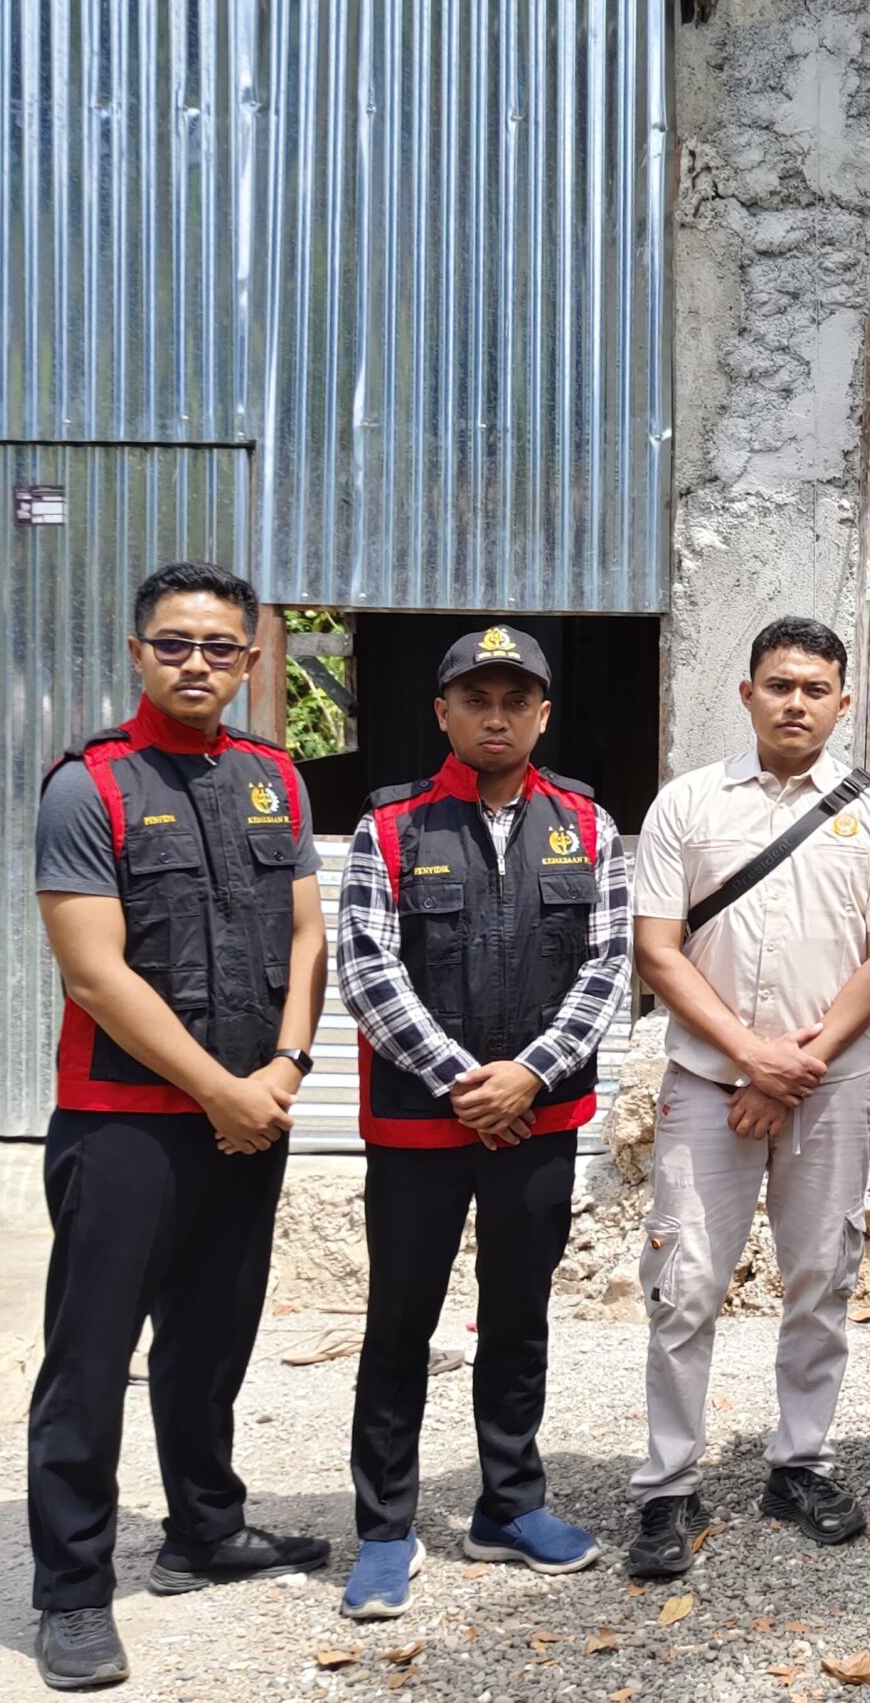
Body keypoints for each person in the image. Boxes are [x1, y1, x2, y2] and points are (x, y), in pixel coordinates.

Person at [27, 562, 329, 1693]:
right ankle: (70, 1590)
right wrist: (223, 1088)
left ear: (250, 661)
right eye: (174, 644)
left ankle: (205, 1530)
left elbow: (306, 937)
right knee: (91, 1360)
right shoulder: (89, 785)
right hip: (125, 1129)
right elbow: (97, 976)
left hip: (252, 1115)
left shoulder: (274, 780)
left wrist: (287, 1068)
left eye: (218, 647)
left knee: (211, 1342)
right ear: (137, 651)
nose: (196, 663)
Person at [333, 627, 634, 1618]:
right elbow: (369, 969)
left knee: (518, 1318)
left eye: (516, 699)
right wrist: (470, 1081)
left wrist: (532, 1077)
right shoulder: (390, 829)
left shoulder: (587, 826)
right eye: (477, 698)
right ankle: (384, 1527)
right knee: (400, 1325)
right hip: (422, 1129)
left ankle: (509, 1505)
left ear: (542, 713)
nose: (496, 715)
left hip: (537, 1126)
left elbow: (605, 964)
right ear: (444, 714)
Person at [623, 617, 870, 1577]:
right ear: (746, 694)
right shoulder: (688, 804)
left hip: (832, 1086)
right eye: (778, 685)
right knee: (684, 1285)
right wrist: (752, 1055)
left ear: (843, 702)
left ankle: (799, 1464)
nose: (796, 702)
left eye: (815, 688)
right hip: (710, 1081)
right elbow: (658, 949)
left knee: (820, 1280)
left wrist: (799, 1063)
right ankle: (669, 1484)